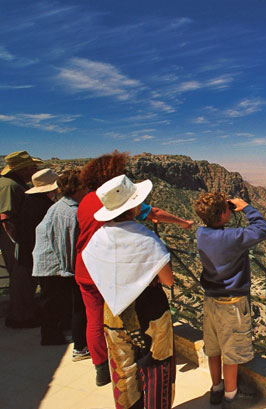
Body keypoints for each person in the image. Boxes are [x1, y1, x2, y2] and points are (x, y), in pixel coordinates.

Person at [75, 151, 194, 386]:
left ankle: (102, 370)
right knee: (130, 322)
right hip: (115, 271)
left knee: (96, 320)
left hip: (88, 266)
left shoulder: (86, 201)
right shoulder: (123, 205)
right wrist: (184, 223)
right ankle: (141, 369)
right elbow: (155, 213)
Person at [82, 175, 175, 409]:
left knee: (123, 370)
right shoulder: (145, 238)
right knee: (156, 367)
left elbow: (90, 262)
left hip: (113, 310)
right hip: (149, 310)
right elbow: (169, 280)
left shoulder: (98, 237)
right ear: (133, 206)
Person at [193, 192, 266, 408]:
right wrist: (246, 207)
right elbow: (263, 229)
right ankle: (231, 396)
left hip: (210, 300)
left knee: (214, 348)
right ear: (224, 213)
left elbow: (217, 230)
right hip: (232, 303)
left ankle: (216, 389)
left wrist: (222, 213)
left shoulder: (201, 233)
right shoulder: (233, 237)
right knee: (231, 352)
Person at [32, 169, 90, 360]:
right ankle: (57, 339)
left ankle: (55, 335)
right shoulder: (70, 213)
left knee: (54, 304)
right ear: (78, 188)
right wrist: (74, 272)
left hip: (49, 263)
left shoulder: (60, 206)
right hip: (53, 266)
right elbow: (67, 245)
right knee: (57, 304)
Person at [0, 151, 42, 328]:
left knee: (23, 278)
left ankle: (24, 312)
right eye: (32, 166)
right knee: (21, 278)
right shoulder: (9, 186)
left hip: (18, 241)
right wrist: (17, 243)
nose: (35, 169)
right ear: (22, 169)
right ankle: (20, 317)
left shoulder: (12, 184)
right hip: (16, 241)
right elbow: (5, 217)